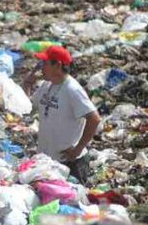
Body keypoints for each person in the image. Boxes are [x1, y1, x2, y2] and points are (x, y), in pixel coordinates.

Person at [26, 45, 101, 184]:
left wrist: (78, 149)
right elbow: (28, 109)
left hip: (70, 163)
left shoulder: (72, 89)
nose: (41, 67)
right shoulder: (46, 86)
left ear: (58, 65)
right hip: (48, 162)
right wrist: (27, 84)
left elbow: (94, 119)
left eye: (45, 63)